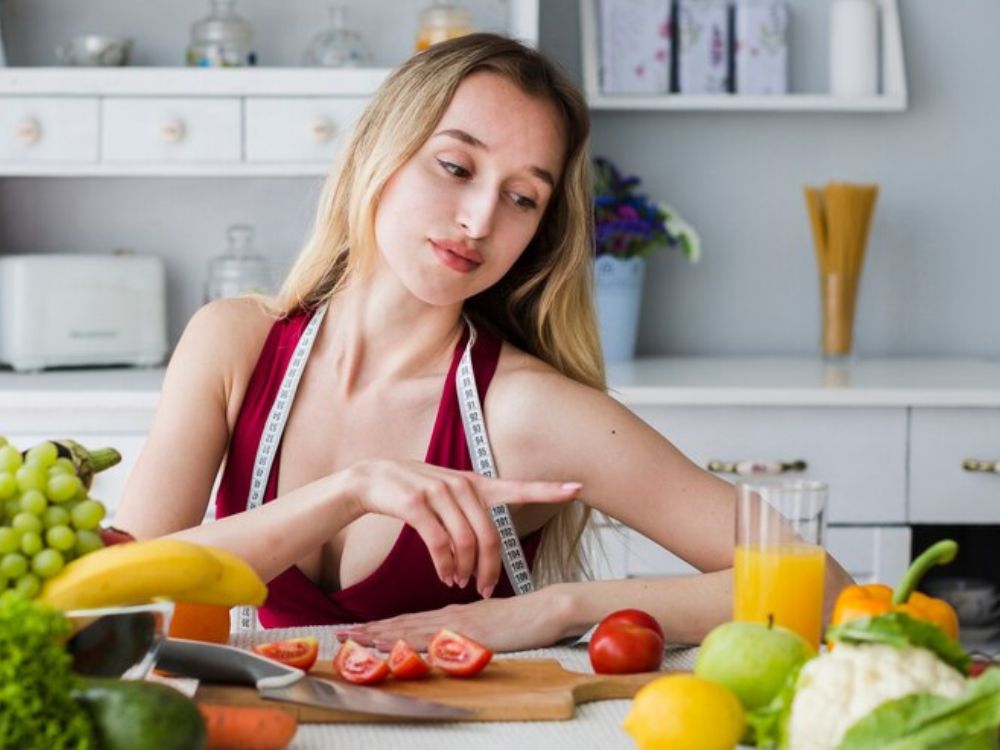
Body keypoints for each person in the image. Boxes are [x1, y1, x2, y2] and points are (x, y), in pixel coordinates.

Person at [115, 33, 851, 652]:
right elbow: (123, 592)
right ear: (382, 150)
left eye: (522, 197)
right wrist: (350, 491)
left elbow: (818, 584)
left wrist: (559, 610)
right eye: (456, 167)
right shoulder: (234, 345)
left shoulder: (525, 410)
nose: (477, 219)